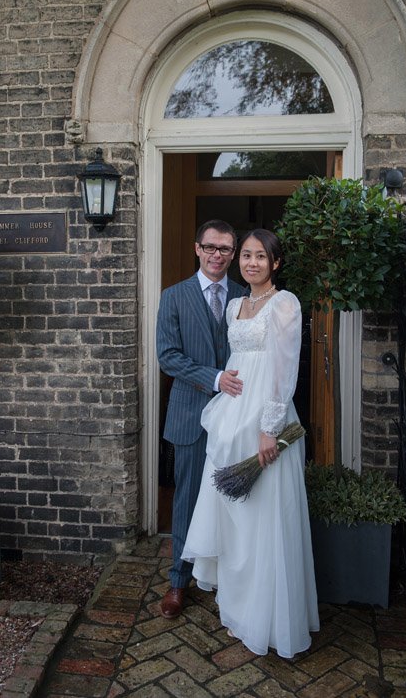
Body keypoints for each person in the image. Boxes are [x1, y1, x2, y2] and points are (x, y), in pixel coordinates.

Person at [182, 229, 319, 658]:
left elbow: (284, 370)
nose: (252, 263)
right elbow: (235, 362)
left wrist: (269, 429)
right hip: (232, 417)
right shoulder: (237, 306)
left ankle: (271, 618)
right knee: (235, 519)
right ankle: (240, 609)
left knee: (265, 517)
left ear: (276, 263)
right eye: (246, 255)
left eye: (261, 256)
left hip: (264, 418)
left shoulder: (285, 304)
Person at [156, 219, 247, 619]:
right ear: (197, 249)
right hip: (191, 414)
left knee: (235, 499)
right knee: (188, 501)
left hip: (236, 416)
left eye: (225, 249)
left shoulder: (245, 298)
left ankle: (230, 579)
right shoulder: (174, 297)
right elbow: (169, 356)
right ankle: (179, 581)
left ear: (233, 254)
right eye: (210, 247)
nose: (217, 255)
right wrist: (214, 378)